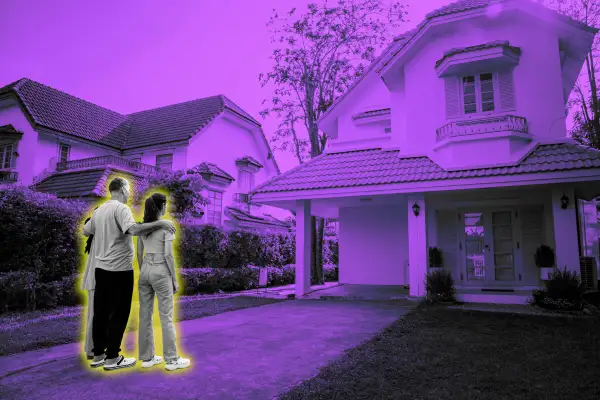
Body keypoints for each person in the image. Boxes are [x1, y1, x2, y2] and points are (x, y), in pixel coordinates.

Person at [82, 177, 176, 371]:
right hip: (120, 270)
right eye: (129, 189)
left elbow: (86, 230)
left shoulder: (99, 210)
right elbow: (133, 230)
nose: (130, 193)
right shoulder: (121, 209)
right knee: (119, 313)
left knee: (100, 312)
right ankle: (112, 357)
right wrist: (161, 224)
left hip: (101, 269)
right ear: (123, 189)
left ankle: (98, 354)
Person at [137, 193, 190, 371]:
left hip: (145, 270)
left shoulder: (143, 226)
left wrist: (143, 269)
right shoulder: (166, 227)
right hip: (161, 270)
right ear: (163, 206)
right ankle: (171, 360)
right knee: (166, 316)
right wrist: (174, 279)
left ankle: (147, 357)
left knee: (145, 315)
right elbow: (168, 254)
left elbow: (138, 253)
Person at [81, 210, 98, 360]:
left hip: (96, 279)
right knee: (95, 315)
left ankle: (93, 348)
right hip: (97, 280)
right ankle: (92, 349)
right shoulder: (99, 237)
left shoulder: (97, 237)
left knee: (95, 315)